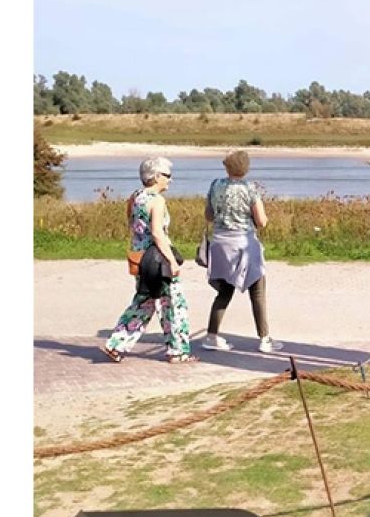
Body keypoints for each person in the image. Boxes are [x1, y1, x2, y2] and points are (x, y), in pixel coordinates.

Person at [99, 157, 197, 364]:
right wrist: (172, 261)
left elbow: (132, 225)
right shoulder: (157, 201)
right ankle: (178, 350)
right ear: (157, 176)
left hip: (140, 257)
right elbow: (158, 233)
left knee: (145, 301)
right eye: (167, 176)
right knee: (173, 303)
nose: (170, 181)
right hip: (157, 259)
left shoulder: (135, 197)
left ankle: (116, 344)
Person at [201, 150, 280, 353]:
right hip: (243, 243)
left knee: (225, 292)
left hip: (221, 244)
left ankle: (212, 335)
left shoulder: (215, 185)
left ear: (227, 166)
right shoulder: (250, 189)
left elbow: (209, 215)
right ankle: (264, 338)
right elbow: (261, 221)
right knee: (258, 291)